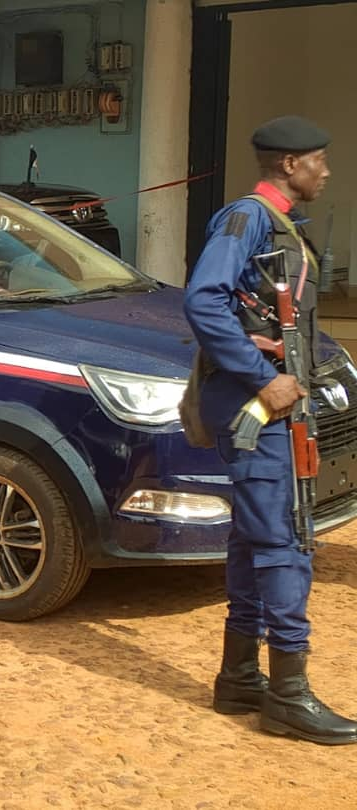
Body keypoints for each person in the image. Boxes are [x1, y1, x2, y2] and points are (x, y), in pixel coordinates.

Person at [184, 115, 357, 745]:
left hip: (278, 408)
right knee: (285, 540)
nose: (326, 171)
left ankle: (238, 678)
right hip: (259, 411)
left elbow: (235, 304)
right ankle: (288, 693)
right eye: (318, 160)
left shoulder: (278, 226)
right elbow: (203, 299)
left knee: (253, 540)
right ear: (288, 165)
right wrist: (262, 376)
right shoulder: (247, 218)